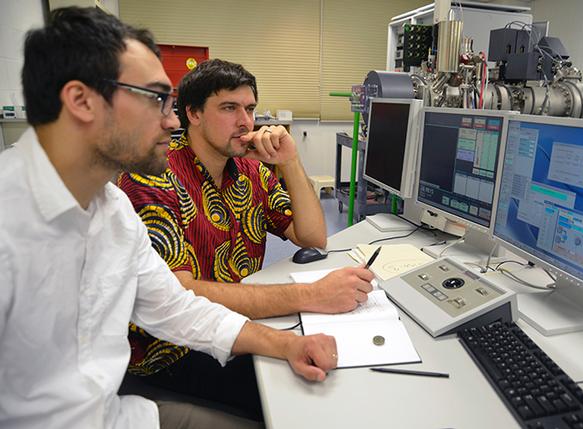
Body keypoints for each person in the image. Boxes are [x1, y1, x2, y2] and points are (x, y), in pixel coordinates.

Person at [0, 7, 342, 429]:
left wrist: (286, 344)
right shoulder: (12, 223)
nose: (169, 119)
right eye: (155, 99)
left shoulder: (112, 212)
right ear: (81, 101)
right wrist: (308, 300)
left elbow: (178, 308)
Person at [116, 59, 374, 415]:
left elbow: (313, 237)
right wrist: (312, 295)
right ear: (193, 113)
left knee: (344, 366)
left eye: (250, 109)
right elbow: (179, 294)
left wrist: (290, 161)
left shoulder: (250, 171)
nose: (246, 122)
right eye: (229, 108)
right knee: (313, 400)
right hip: (174, 348)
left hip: (239, 325)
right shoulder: (152, 177)